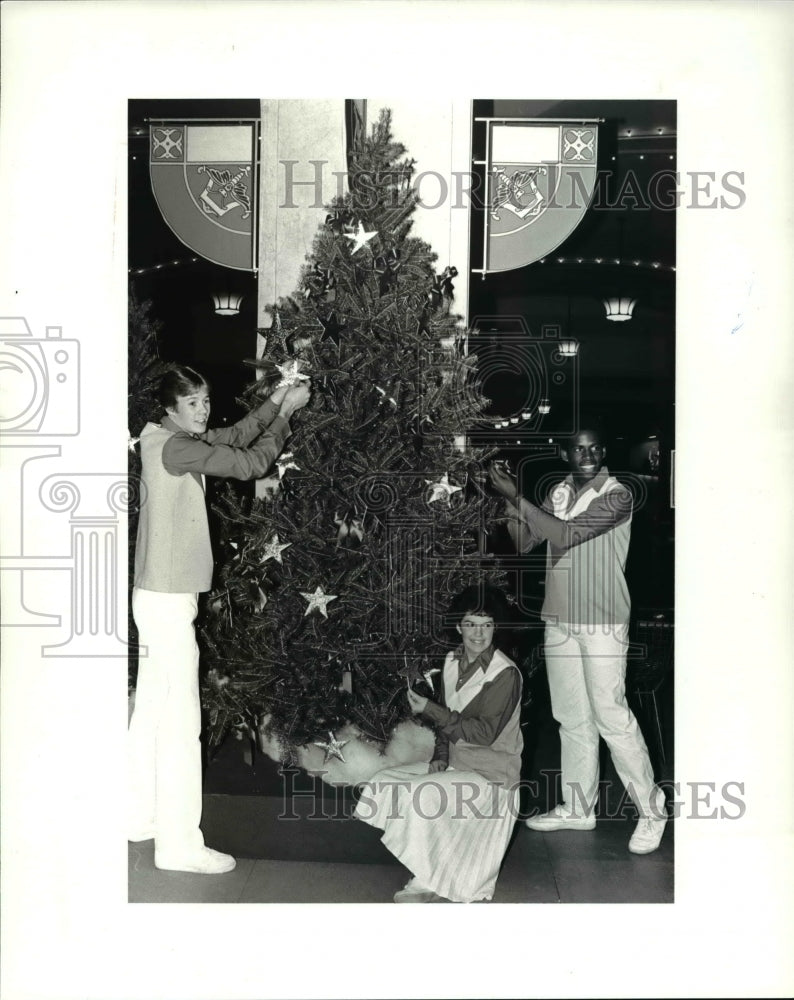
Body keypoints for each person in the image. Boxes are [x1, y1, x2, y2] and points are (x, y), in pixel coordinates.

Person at [128, 364, 311, 874]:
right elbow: (251, 462)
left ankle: (138, 814)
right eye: (194, 404)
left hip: (157, 595)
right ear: (170, 407)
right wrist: (287, 417)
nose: (204, 411)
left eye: (206, 401)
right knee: (182, 722)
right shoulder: (175, 447)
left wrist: (275, 400)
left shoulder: (165, 436)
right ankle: (179, 845)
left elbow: (230, 435)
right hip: (168, 599)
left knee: (151, 712)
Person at [488, 423, 667, 855]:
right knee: (572, 718)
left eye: (593, 448)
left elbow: (567, 535)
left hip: (603, 622)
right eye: (578, 449)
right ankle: (578, 807)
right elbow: (526, 542)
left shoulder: (618, 494)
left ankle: (652, 807)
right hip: (559, 620)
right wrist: (506, 503)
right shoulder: (560, 492)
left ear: (602, 452)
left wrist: (517, 497)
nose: (587, 454)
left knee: (611, 715)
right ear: (566, 455)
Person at [354, 586, 523, 902]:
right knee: (383, 782)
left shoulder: (505, 674)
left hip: (493, 778)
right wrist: (440, 756)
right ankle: (431, 858)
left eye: (486, 625)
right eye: (471, 624)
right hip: (459, 766)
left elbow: (483, 733)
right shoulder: (451, 661)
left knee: (422, 794)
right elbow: (448, 725)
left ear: (495, 627)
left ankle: (428, 878)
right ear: (459, 626)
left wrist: (430, 709)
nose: (478, 633)